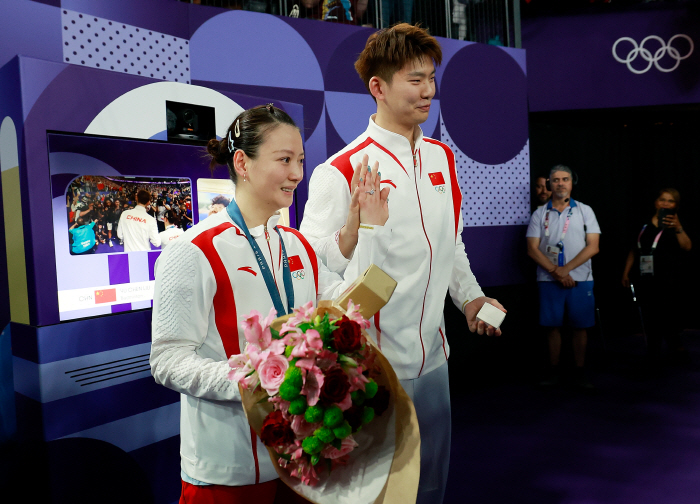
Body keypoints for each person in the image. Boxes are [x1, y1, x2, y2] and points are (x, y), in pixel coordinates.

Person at [299, 24, 505, 504]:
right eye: (415, 80)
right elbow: (312, 269)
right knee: (379, 494)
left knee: (431, 486)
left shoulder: (442, 159)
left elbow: (451, 245)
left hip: (435, 358)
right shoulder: (340, 170)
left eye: (431, 78)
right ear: (378, 87)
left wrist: (470, 297)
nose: (429, 91)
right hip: (373, 369)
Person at [150, 104, 390, 503]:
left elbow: (347, 309)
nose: (297, 173)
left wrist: (370, 230)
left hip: (304, 460)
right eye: (284, 160)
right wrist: (257, 381)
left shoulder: (295, 244)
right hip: (229, 469)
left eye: (299, 160)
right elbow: (168, 360)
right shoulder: (193, 250)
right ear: (242, 162)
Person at [526, 165, 600, 389]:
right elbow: (532, 248)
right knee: (552, 327)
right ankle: (554, 371)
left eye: (565, 179)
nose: (560, 183)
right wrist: (556, 273)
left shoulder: (585, 210)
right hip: (549, 279)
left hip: (581, 277)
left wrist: (565, 270)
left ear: (571, 182)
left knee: (580, 327)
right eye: (555, 180)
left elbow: (593, 246)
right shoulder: (540, 213)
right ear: (549, 184)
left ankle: (579, 372)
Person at [621, 188, 692, 365]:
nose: (666, 204)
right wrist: (626, 272)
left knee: (667, 314)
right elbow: (633, 249)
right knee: (650, 314)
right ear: (656, 202)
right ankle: (654, 353)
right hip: (645, 277)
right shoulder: (643, 223)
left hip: (668, 278)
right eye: (662, 200)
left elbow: (687, 247)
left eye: (670, 201)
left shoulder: (676, 224)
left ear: (676, 205)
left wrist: (678, 227)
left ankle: (674, 346)